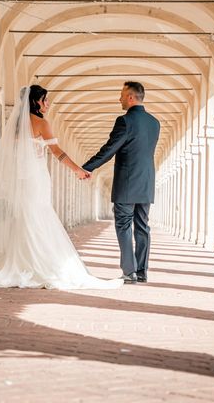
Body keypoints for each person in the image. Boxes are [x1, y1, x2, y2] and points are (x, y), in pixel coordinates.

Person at [0, 85, 123, 290]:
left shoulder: (17, 125)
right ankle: (37, 263)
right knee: (37, 215)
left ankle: (20, 259)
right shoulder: (41, 123)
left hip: (19, 179)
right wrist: (78, 170)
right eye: (45, 100)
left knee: (23, 216)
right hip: (35, 179)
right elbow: (57, 152)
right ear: (36, 101)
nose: (48, 104)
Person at [82, 82, 160, 284]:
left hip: (127, 183)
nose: (120, 99)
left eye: (122, 95)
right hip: (146, 182)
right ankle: (141, 271)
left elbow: (109, 149)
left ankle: (129, 271)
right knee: (142, 227)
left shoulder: (124, 121)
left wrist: (88, 167)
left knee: (123, 225)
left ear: (131, 98)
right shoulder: (155, 122)